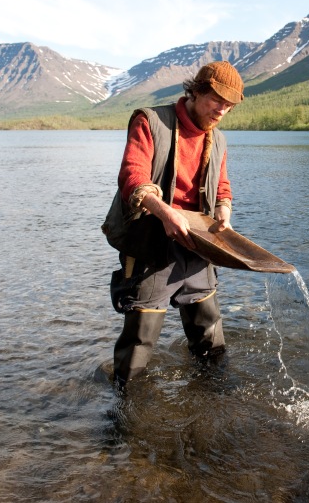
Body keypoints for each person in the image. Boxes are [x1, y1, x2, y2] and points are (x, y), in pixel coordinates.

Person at [109, 61, 243, 388]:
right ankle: (126, 406)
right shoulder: (150, 121)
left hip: (198, 245)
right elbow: (132, 177)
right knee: (139, 343)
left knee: (210, 338)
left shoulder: (218, 140)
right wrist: (165, 212)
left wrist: (224, 211)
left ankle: (213, 395)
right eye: (216, 100)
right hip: (150, 245)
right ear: (195, 91)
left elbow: (222, 187)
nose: (221, 110)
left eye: (228, 105)